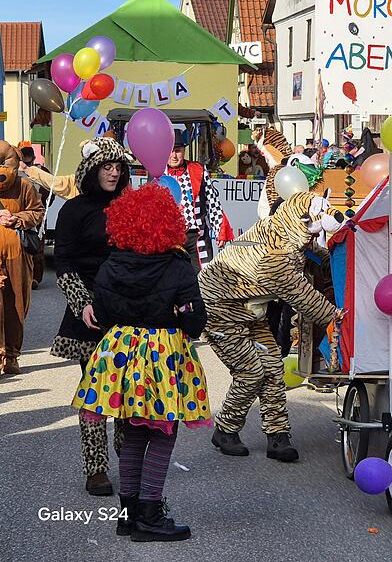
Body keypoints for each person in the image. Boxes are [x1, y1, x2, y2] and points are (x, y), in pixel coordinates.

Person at [71, 183, 208, 541]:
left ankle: (128, 515)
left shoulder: (111, 264)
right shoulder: (178, 266)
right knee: (162, 433)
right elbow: (195, 320)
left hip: (121, 353)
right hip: (163, 354)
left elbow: (100, 313)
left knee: (132, 432)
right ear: (168, 223)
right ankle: (150, 515)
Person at [199, 191, 344, 462]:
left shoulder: (288, 233)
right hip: (220, 308)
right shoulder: (273, 256)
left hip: (251, 309)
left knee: (273, 368)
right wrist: (339, 319)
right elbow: (304, 298)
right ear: (300, 219)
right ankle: (225, 429)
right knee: (251, 371)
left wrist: (341, 258)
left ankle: (278, 437)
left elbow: (319, 256)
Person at [52, 137, 132, 495]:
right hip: (89, 312)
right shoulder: (74, 210)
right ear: (91, 169)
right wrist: (82, 303)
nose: (113, 173)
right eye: (106, 166)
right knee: (95, 391)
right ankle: (96, 467)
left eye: (118, 167)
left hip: (128, 309)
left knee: (129, 390)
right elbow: (64, 265)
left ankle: (128, 458)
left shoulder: (130, 205)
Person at [0, 142, 44, 375]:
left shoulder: (24, 186)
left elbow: (38, 212)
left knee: (16, 303)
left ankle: (12, 354)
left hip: (17, 255)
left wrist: (17, 218)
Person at [167, 131, 233, 272]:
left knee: (203, 277)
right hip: (168, 236)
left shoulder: (197, 170)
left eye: (177, 151)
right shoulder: (158, 173)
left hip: (196, 236)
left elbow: (212, 202)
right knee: (168, 279)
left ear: (183, 151)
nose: (174, 156)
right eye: (170, 151)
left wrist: (219, 229)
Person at [18, 145, 49, 289]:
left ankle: (36, 278)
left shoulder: (41, 172)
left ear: (34, 159)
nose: (26, 165)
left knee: (38, 246)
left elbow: (51, 190)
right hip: (22, 214)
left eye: (29, 162)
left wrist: (43, 204)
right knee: (22, 247)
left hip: (39, 214)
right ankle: (24, 276)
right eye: (24, 162)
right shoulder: (15, 173)